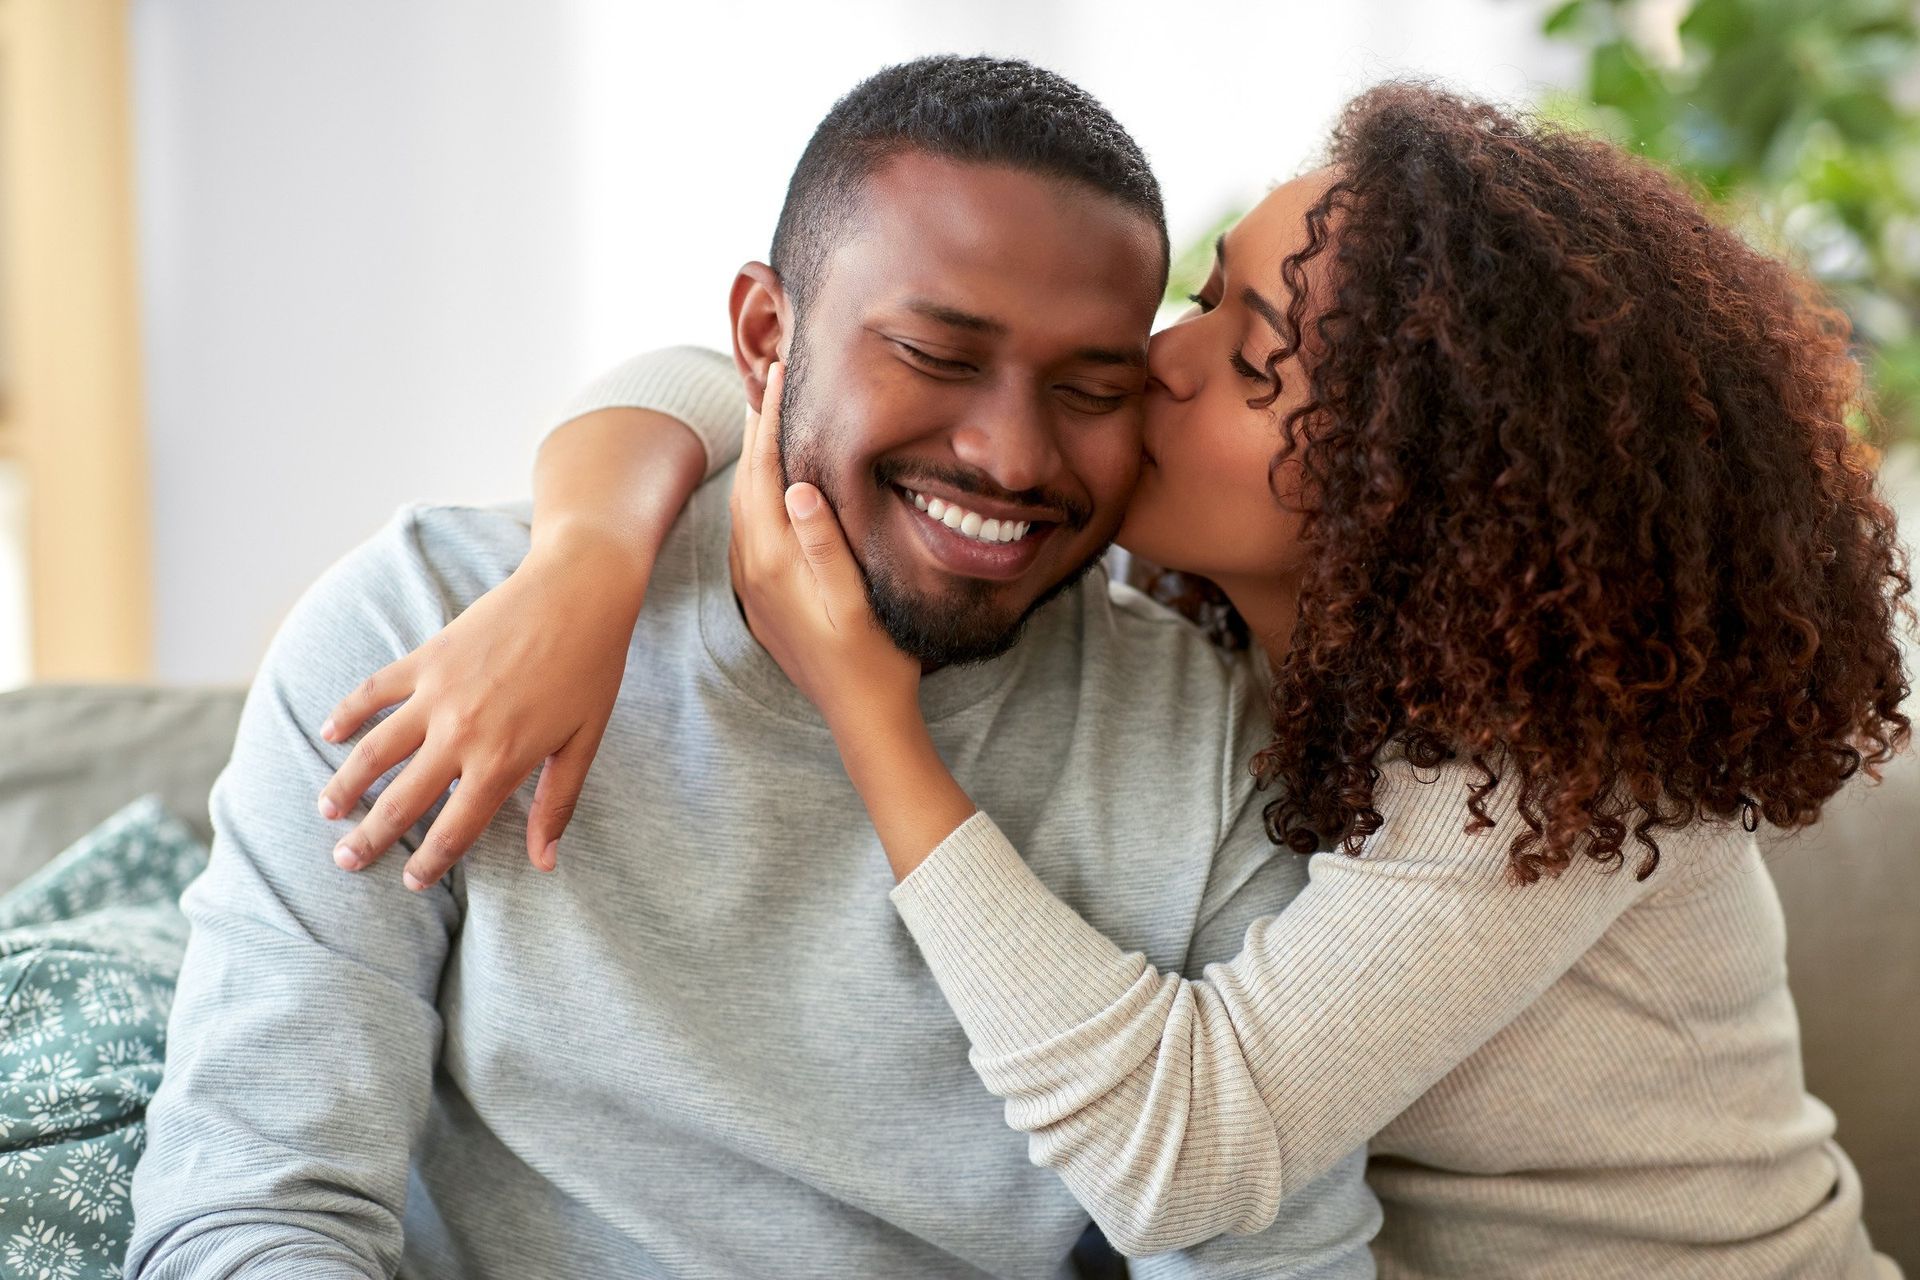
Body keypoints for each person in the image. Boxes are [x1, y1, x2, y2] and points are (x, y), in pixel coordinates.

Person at [317, 86, 1910, 1276]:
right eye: (1205, 295)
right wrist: (586, 562)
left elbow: (1190, 1154)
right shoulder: (1254, 633)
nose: (1161, 357)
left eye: (1245, 346)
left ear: (1402, 480)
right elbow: (745, 374)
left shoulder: (1541, 767)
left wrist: (873, 712)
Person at [124, 56, 1382, 1279]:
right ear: (765, 333)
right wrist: (590, 553)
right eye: (938, 356)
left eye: (1090, 384)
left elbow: (1266, 1252)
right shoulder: (430, 621)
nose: (1009, 454)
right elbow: (246, 1211)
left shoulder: (1210, 749)